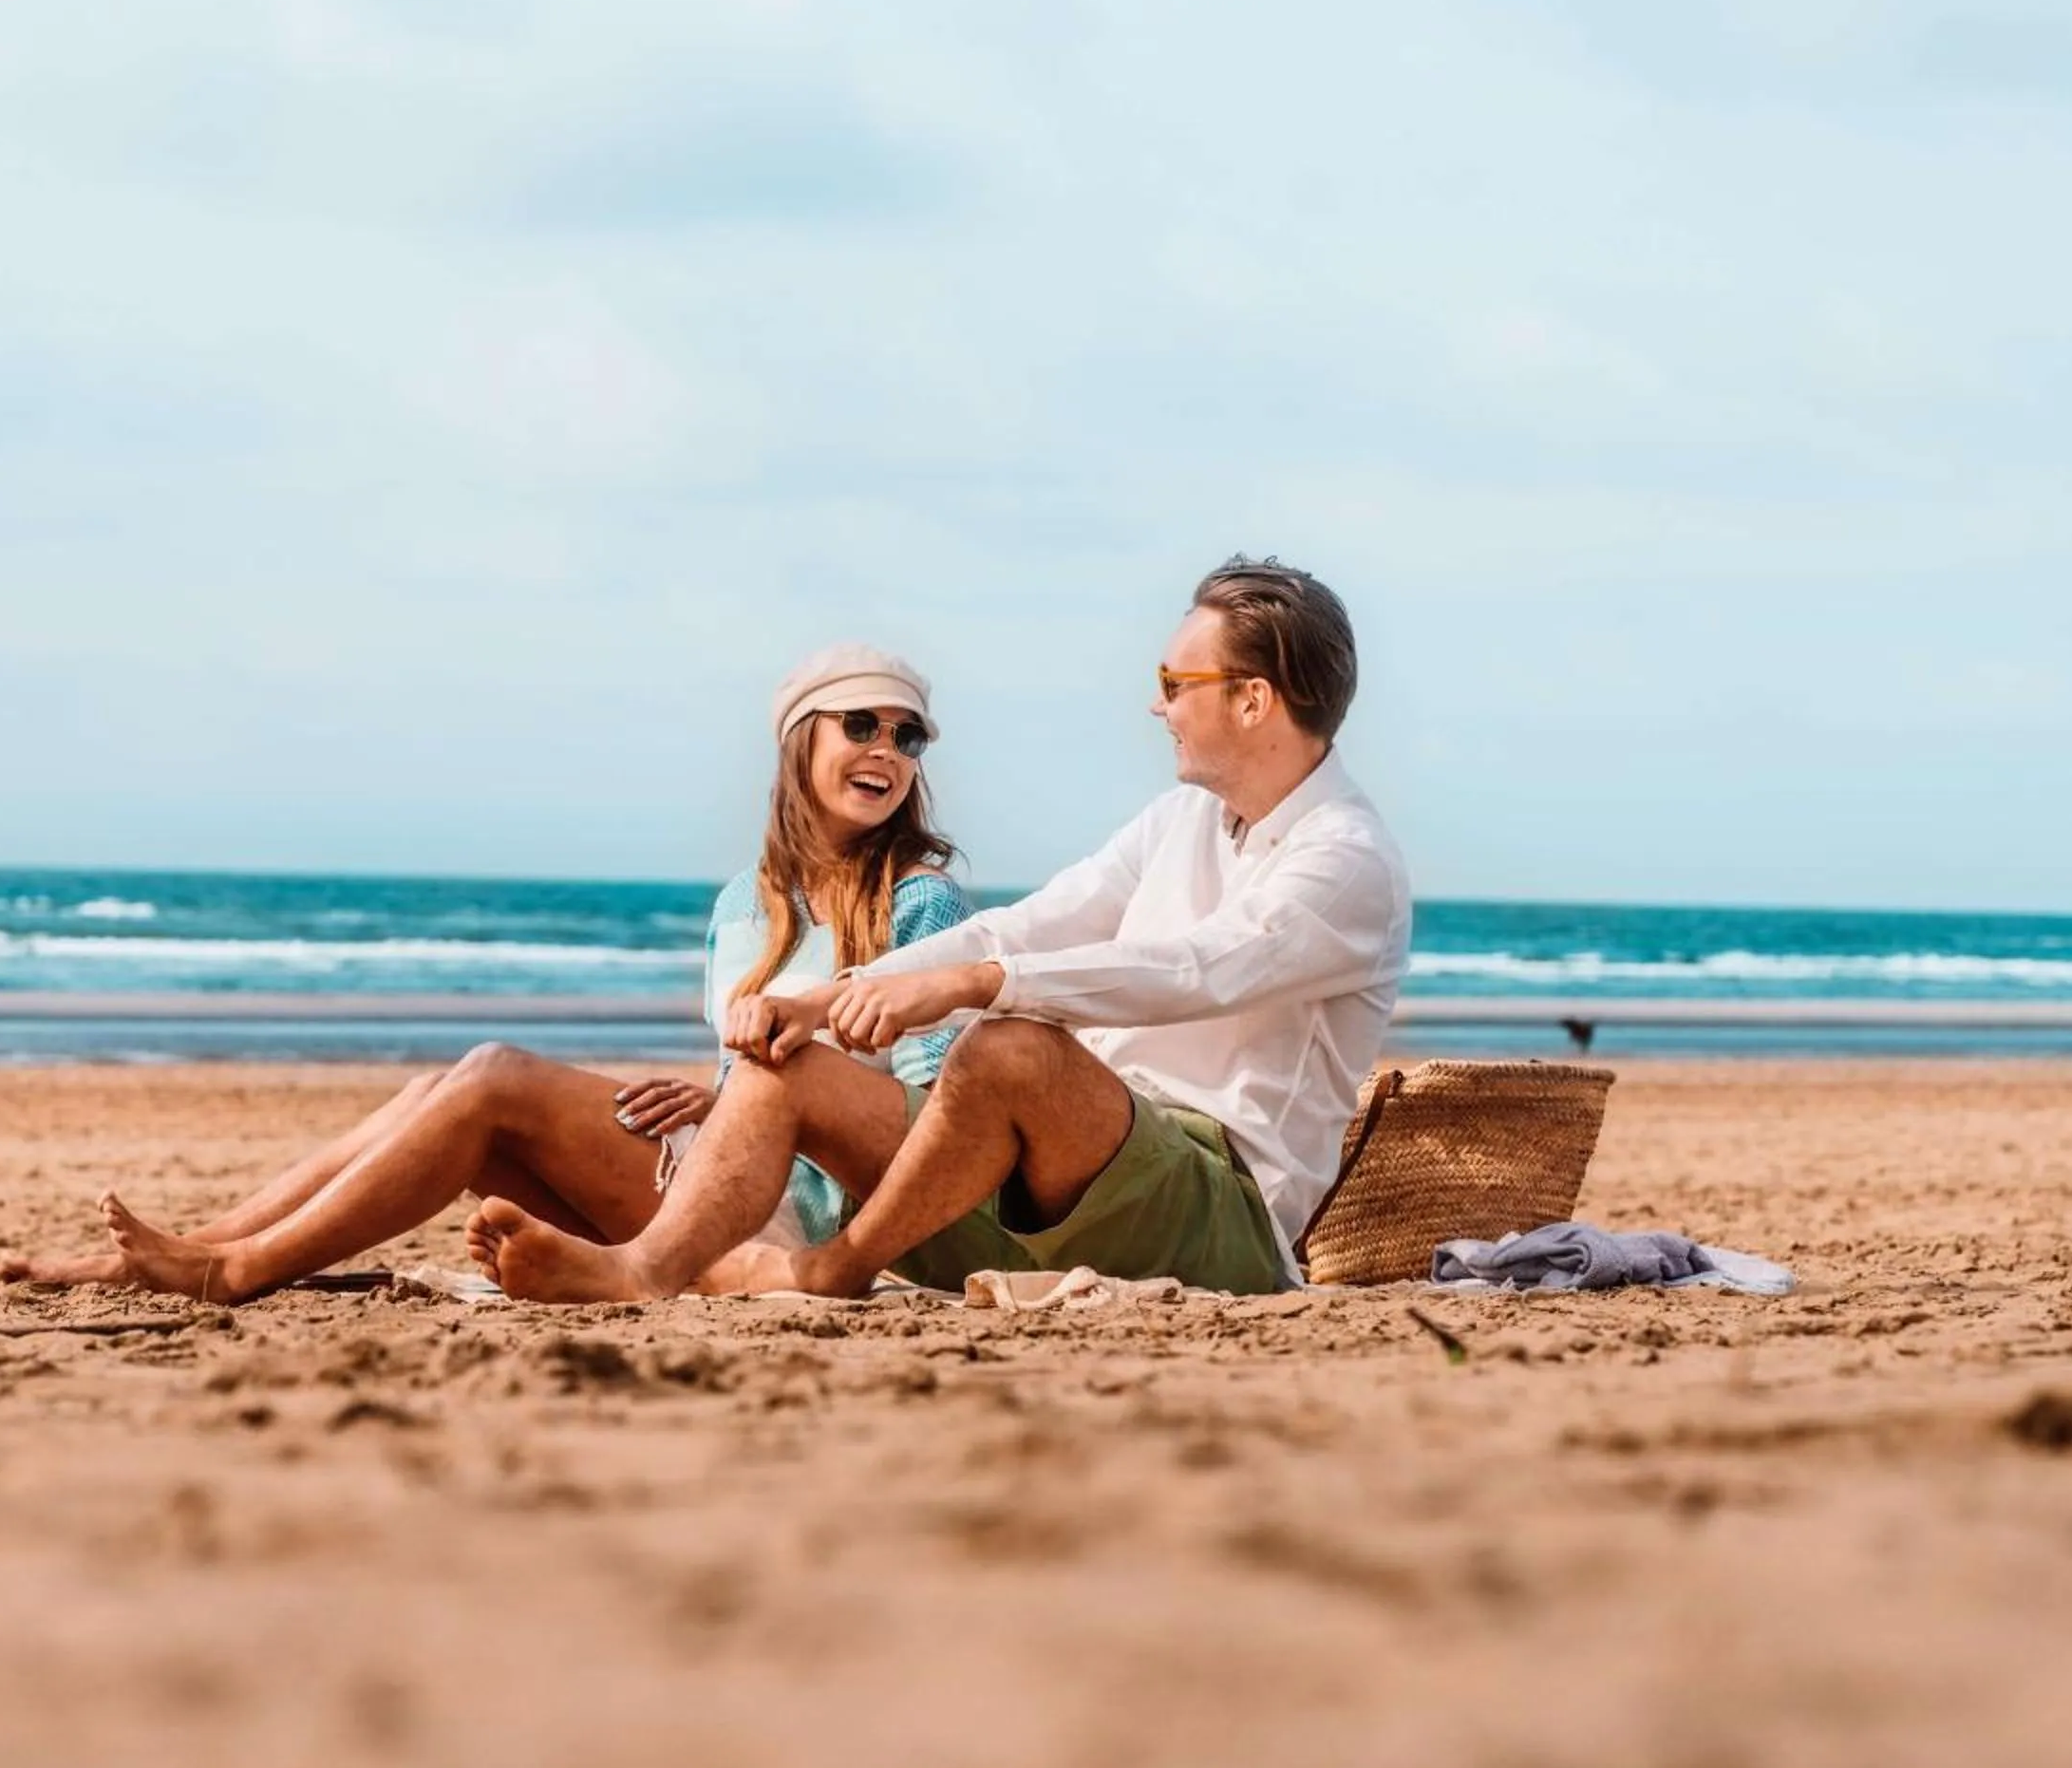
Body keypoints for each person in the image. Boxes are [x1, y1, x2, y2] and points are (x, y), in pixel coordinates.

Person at [474, 555, 1411, 1303]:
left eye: (1175, 679)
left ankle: (837, 1266)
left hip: (1217, 1205)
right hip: (1061, 1172)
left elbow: (1197, 967)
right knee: (787, 1053)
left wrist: (967, 986)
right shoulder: (1183, 822)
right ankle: (643, 1266)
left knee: (1010, 1049)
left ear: (1251, 698)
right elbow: (1032, 923)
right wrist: (829, 999)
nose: (1155, 703)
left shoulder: (1346, 859)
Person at [0, 644, 972, 1302]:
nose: (887, 749)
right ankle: (191, 1247)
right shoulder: (741, 907)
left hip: (813, 1216)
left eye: (907, 734)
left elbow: (933, 1120)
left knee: (497, 1072)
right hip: (715, 1180)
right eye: (862, 724)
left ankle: (239, 1267)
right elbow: (757, 1077)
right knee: (446, 1096)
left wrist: (841, 1250)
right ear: (803, 737)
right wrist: (716, 1098)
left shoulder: (919, 902)